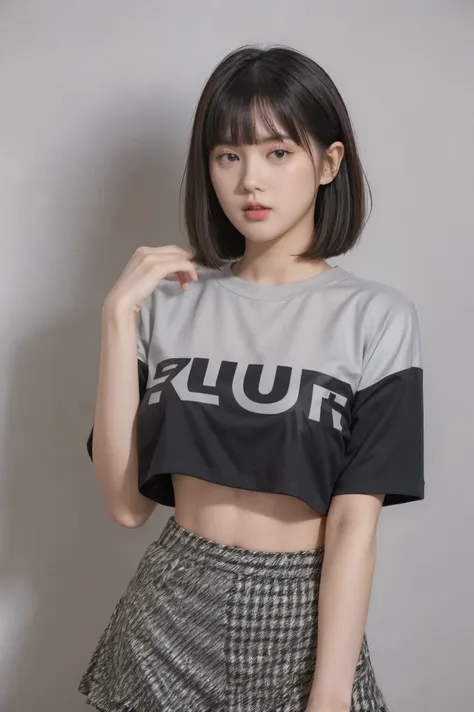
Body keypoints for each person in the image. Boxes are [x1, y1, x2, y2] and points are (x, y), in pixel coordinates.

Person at [78, 44, 424, 712]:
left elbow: (354, 526)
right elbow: (126, 506)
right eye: (227, 155)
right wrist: (118, 319)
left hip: (301, 612)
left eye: (278, 153)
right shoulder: (169, 304)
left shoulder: (376, 318)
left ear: (328, 163)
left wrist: (328, 694)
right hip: (167, 610)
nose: (249, 182)